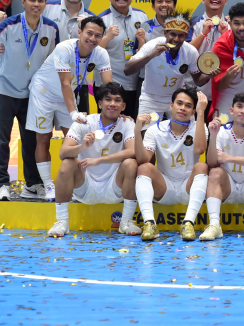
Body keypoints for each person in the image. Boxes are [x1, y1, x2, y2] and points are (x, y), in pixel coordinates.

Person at [0, 0, 59, 202]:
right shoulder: (8, 25)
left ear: (45, 4)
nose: (36, 4)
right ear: (23, 2)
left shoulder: (52, 29)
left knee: (32, 141)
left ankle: (33, 185)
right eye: (32, 0)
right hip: (5, 89)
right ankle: (2, 185)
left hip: (34, 94)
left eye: (41, 0)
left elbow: (54, 61)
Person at [27, 16, 113, 200]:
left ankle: (77, 183)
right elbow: (65, 83)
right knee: (43, 138)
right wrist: (73, 112)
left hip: (67, 95)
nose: (93, 38)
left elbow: (109, 86)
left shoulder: (100, 54)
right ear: (80, 32)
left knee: (74, 140)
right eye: (89, 33)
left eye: (98, 35)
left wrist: (117, 112)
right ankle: (49, 185)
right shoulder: (64, 48)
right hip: (44, 93)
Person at [46, 82, 141, 237]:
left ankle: (126, 221)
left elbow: (133, 151)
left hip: (113, 186)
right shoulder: (84, 122)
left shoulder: (127, 123)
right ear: (99, 103)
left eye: (117, 100)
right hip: (85, 185)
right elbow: (63, 152)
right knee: (67, 163)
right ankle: (62, 221)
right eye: (108, 99)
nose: (112, 104)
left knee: (131, 163)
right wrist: (82, 146)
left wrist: (99, 160)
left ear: (123, 106)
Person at [134, 89, 210, 241]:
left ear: (193, 111)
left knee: (202, 166)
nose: (183, 108)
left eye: (188, 106)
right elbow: (143, 159)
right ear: (171, 106)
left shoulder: (199, 127)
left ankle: (188, 223)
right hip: (164, 187)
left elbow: (200, 149)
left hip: (188, 187)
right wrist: (137, 130)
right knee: (144, 168)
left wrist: (201, 114)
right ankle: (149, 223)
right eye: (179, 103)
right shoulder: (155, 130)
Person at [200, 93, 244, 241]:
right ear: (231, 111)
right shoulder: (221, 132)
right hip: (227, 187)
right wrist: (212, 135)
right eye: (239, 106)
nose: (243, 111)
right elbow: (212, 162)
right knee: (215, 172)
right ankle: (214, 225)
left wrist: (230, 158)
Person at [125, 11, 211, 127]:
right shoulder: (152, 45)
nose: (176, 39)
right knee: (144, 136)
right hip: (151, 98)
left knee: (184, 135)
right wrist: (151, 55)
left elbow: (198, 81)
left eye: (181, 35)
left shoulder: (190, 51)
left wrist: (210, 74)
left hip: (177, 99)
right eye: (173, 34)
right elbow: (127, 70)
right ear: (165, 33)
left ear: (186, 36)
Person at [97, 0, 148, 119]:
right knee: (109, 129)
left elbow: (146, 52)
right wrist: (106, 38)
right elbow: (92, 54)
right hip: (109, 87)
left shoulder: (142, 16)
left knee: (132, 128)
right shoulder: (101, 20)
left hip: (135, 85)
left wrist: (142, 41)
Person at [44, 0, 92, 113]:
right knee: (43, 131)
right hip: (48, 79)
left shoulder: (91, 19)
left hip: (78, 82)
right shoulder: (45, 9)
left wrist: (86, 30)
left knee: (80, 129)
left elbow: (94, 51)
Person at [190, 0, 230, 112]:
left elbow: (238, 53)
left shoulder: (231, 25)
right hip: (198, 88)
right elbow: (186, 52)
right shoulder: (194, 23)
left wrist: (226, 35)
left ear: (225, 1)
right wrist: (203, 33)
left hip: (225, 88)